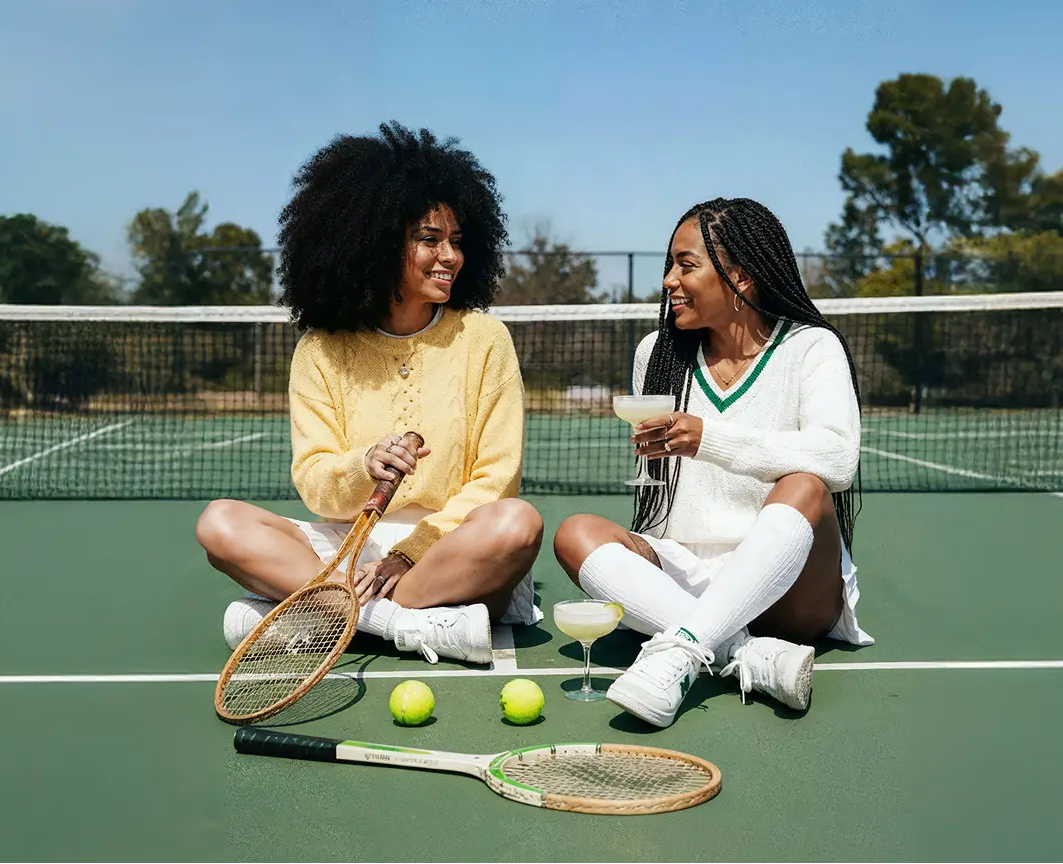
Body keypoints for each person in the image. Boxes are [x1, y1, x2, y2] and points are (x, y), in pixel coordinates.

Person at [194, 122, 543, 665]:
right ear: (375, 243)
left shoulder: (485, 338)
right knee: (219, 522)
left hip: (447, 551)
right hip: (346, 549)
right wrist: (364, 466)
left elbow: (497, 480)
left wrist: (410, 552)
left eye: (456, 241)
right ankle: (392, 624)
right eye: (429, 240)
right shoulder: (320, 351)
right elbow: (315, 484)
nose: (449, 256)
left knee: (518, 523)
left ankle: (315, 614)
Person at [553, 197, 873, 727]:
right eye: (667, 266)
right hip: (684, 575)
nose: (668, 282)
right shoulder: (656, 355)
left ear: (741, 278)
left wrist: (709, 439)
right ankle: (742, 655)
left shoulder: (812, 348)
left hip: (793, 589)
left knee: (806, 487)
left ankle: (681, 650)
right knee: (575, 533)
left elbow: (838, 459)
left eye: (686, 265)